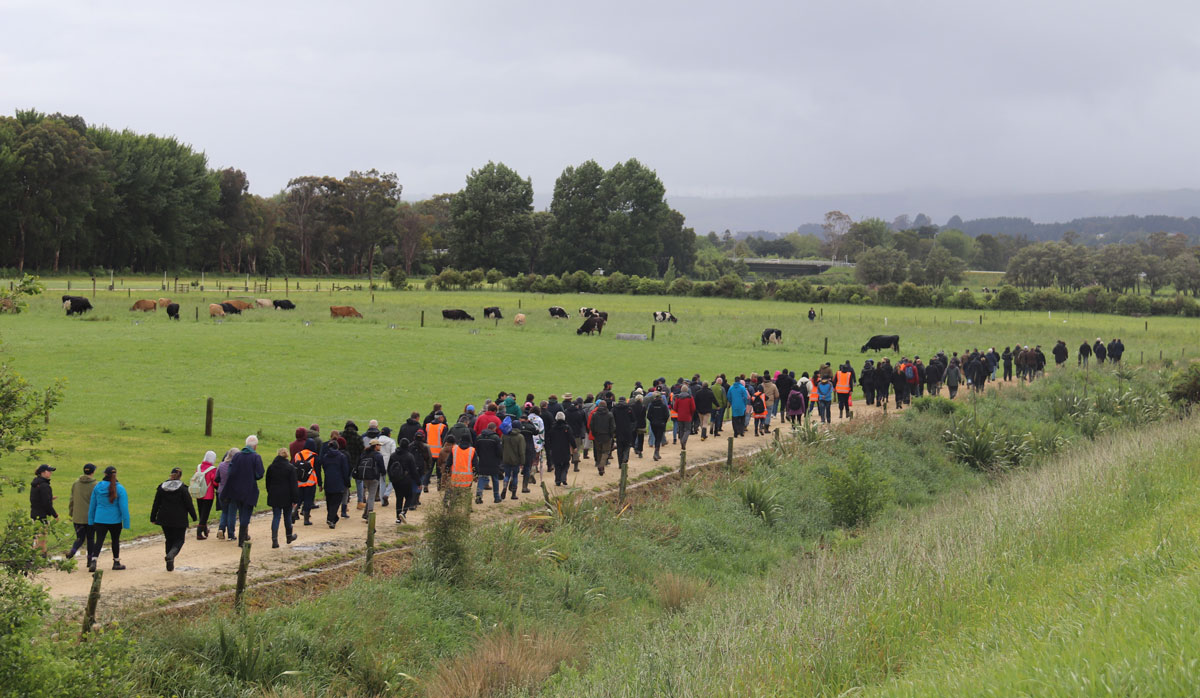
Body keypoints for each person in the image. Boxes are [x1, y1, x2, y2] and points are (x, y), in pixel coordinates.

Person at [221, 435, 265, 547]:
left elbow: (230, 471)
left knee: (240, 511)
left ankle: (243, 536)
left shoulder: (237, 456)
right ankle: (242, 539)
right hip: (249, 489)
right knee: (246, 514)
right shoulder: (256, 457)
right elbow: (259, 474)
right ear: (255, 446)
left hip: (235, 489)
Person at [150, 467, 197, 570]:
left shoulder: (162, 487)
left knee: (169, 539)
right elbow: (189, 504)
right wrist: (194, 516)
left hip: (164, 518)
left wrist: (153, 517)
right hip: (179, 519)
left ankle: (169, 562)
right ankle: (171, 555)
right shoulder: (183, 489)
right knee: (179, 540)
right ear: (180, 476)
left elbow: (156, 503)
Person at [88, 466, 130, 571]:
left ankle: (94, 560)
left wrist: (90, 520)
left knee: (99, 540)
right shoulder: (120, 488)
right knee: (115, 540)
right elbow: (124, 507)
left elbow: (92, 505)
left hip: (99, 518)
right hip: (115, 520)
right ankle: (116, 562)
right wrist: (126, 523)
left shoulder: (97, 487)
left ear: (105, 474)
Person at [265, 448, 299, 547]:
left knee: (276, 516)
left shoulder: (271, 467)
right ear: (287, 456)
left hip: (274, 495)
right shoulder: (290, 468)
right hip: (287, 496)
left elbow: (268, 483)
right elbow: (293, 485)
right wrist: (295, 499)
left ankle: (274, 540)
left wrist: (270, 492)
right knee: (287, 517)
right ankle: (289, 536)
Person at [67, 463, 97, 560]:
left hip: (78, 516)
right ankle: (89, 559)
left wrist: (72, 513)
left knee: (80, 538)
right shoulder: (95, 485)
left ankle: (73, 551)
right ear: (93, 472)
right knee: (91, 539)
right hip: (91, 517)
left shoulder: (76, 484)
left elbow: (72, 500)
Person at [387, 438, 419, 521]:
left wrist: (391, 478)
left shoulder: (393, 455)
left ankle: (398, 517)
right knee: (409, 497)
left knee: (399, 498)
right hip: (406, 480)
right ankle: (403, 512)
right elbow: (414, 470)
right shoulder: (409, 456)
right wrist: (418, 482)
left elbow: (389, 468)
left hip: (396, 480)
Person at [321, 438, 350, 528]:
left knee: (329, 502)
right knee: (335, 502)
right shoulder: (342, 457)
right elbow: (345, 471)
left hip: (328, 481)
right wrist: (347, 482)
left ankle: (333, 518)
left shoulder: (325, 457)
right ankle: (330, 519)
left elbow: (324, 468)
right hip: (339, 482)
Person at [292, 439, 321, 526]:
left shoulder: (298, 455)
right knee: (308, 500)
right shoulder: (314, 456)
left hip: (299, 481)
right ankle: (306, 519)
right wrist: (320, 484)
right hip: (310, 482)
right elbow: (318, 471)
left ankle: (294, 512)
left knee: (299, 499)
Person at [29, 464, 56, 554]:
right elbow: (46, 503)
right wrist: (55, 514)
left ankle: (36, 555)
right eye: (49, 471)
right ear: (43, 473)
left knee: (37, 537)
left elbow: (36, 498)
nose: (51, 473)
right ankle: (41, 556)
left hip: (34, 513)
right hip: (42, 515)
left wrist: (49, 498)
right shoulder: (44, 485)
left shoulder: (35, 483)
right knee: (42, 539)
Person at [474, 424, 504, 504]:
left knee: (481, 479)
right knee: (495, 479)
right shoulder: (496, 438)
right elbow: (499, 452)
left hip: (483, 461)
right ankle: (496, 497)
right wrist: (499, 459)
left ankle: (478, 496)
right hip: (493, 462)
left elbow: (476, 450)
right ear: (494, 429)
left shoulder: (479, 437)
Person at [545, 412, 577, 486]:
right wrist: (574, 446)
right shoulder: (567, 428)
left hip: (555, 449)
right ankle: (563, 477)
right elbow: (571, 438)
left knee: (557, 465)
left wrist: (549, 447)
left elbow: (549, 438)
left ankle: (557, 480)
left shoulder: (552, 428)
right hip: (565, 448)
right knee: (566, 464)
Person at [192, 451, 218, 539]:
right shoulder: (212, 469)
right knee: (205, 513)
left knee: (201, 512)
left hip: (199, 492)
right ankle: (199, 532)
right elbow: (215, 481)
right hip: (208, 494)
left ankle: (205, 529)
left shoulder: (198, 467)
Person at [214, 448, 239, 540]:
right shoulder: (237, 467)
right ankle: (231, 534)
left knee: (224, 512)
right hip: (233, 492)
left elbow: (217, 478)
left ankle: (221, 529)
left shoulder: (221, 465)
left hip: (222, 491)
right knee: (232, 513)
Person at [357, 439, 385, 520]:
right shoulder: (378, 455)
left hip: (365, 477)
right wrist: (382, 473)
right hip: (374, 478)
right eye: (379, 445)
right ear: (376, 446)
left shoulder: (364, 454)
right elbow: (382, 468)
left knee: (370, 495)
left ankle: (365, 514)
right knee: (372, 496)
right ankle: (370, 515)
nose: (380, 446)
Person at [588, 399, 616, 476]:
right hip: (606, 436)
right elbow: (612, 426)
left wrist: (594, 434)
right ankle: (601, 465)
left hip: (597, 436)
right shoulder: (609, 415)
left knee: (599, 451)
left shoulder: (594, 414)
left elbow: (591, 426)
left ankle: (600, 467)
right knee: (606, 452)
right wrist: (611, 435)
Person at [501, 418, 526, 499]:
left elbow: (502, 447)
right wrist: (522, 462)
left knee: (507, 475)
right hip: (516, 460)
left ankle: (504, 488)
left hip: (506, 459)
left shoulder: (504, 435)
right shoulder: (520, 437)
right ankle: (513, 494)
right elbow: (521, 451)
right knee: (515, 476)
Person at [647, 392, 670, 461]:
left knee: (657, 437)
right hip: (661, 424)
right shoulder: (663, 406)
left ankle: (657, 452)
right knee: (658, 438)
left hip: (653, 424)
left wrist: (652, 421)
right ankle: (656, 453)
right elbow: (667, 415)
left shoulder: (651, 405)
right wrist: (664, 422)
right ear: (660, 398)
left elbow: (648, 416)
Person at [377, 426, 397, 506]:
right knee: (393, 480)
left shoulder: (377, 441)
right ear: (388, 434)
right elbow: (393, 454)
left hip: (380, 464)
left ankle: (382, 501)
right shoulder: (391, 441)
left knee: (382, 482)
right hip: (389, 463)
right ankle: (387, 493)